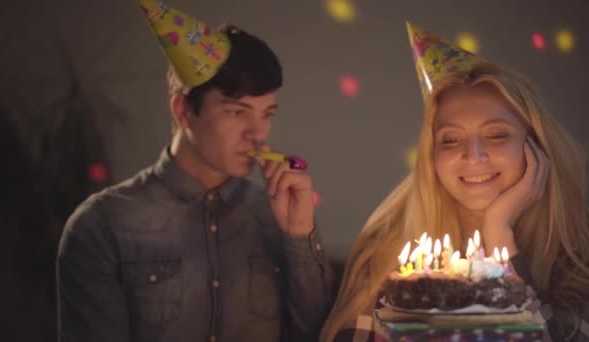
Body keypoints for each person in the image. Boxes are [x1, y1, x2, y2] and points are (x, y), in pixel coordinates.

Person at [57, 1, 333, 341]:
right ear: (184, 112)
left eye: (267, 114)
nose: (259, 133)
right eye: (237, 112)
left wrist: (300, 235)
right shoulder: (103, 225)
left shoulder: (275, 215)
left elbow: (319, 334)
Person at [321, 22, 589, 341]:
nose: (473, 155)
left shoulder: (577, 259)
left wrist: (499, 231)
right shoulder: (385, 255)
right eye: (450, 140)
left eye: (496, 135)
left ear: (536, 147)